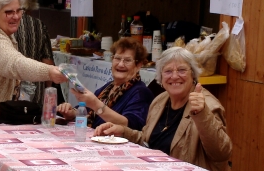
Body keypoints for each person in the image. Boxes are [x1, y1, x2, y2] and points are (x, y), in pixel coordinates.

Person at [94, 47, 232, 171]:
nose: (175, 76)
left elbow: (221, 153)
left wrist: (202, 114)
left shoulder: (208, 105)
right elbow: (148, 140)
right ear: (160, 77)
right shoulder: (160, 100)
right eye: (168, 71)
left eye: (182, 70)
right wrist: (123, 132)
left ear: (193, 74)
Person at [57, 37, 154, 130]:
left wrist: (96, 104)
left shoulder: (141, 92)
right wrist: (72, 113)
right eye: (117, 58)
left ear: (138, 65)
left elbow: (129, 126)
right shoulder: (109, 86)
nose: (120, 64)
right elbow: (87, 109)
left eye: (127, 60)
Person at [11, 0, 54, 104]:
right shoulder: (39, 25)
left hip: (11, 87)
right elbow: (48, 61)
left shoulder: (7, 23)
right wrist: (49, 89)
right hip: (36, 88)